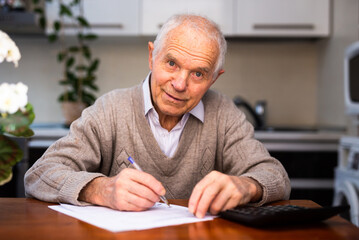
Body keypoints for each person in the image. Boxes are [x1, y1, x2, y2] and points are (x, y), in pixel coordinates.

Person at [25, 14, 290, 219]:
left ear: (213, 79)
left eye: (198, 73)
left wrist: (246, 186)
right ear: (152, 56)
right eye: (172, 63)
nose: (179, 84)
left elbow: (276, 176)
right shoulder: (111, 109)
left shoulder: (224, 113)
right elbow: (39, 175)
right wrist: (100, 189)